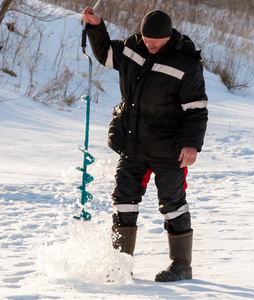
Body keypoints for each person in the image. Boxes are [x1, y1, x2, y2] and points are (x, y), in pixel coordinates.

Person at [82, 8, 208, 282]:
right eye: (146, 38)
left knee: (173, 203)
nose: (150, 44)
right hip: (133, 142)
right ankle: (120, 265)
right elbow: (105, 54)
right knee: (123, 201)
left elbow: (197, 109)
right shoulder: (131, 48)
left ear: (168, 37)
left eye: (156, 41)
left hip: (169, 148)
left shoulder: (185, 63)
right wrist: (96, 27)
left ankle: (181, 265)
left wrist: (192, 145)